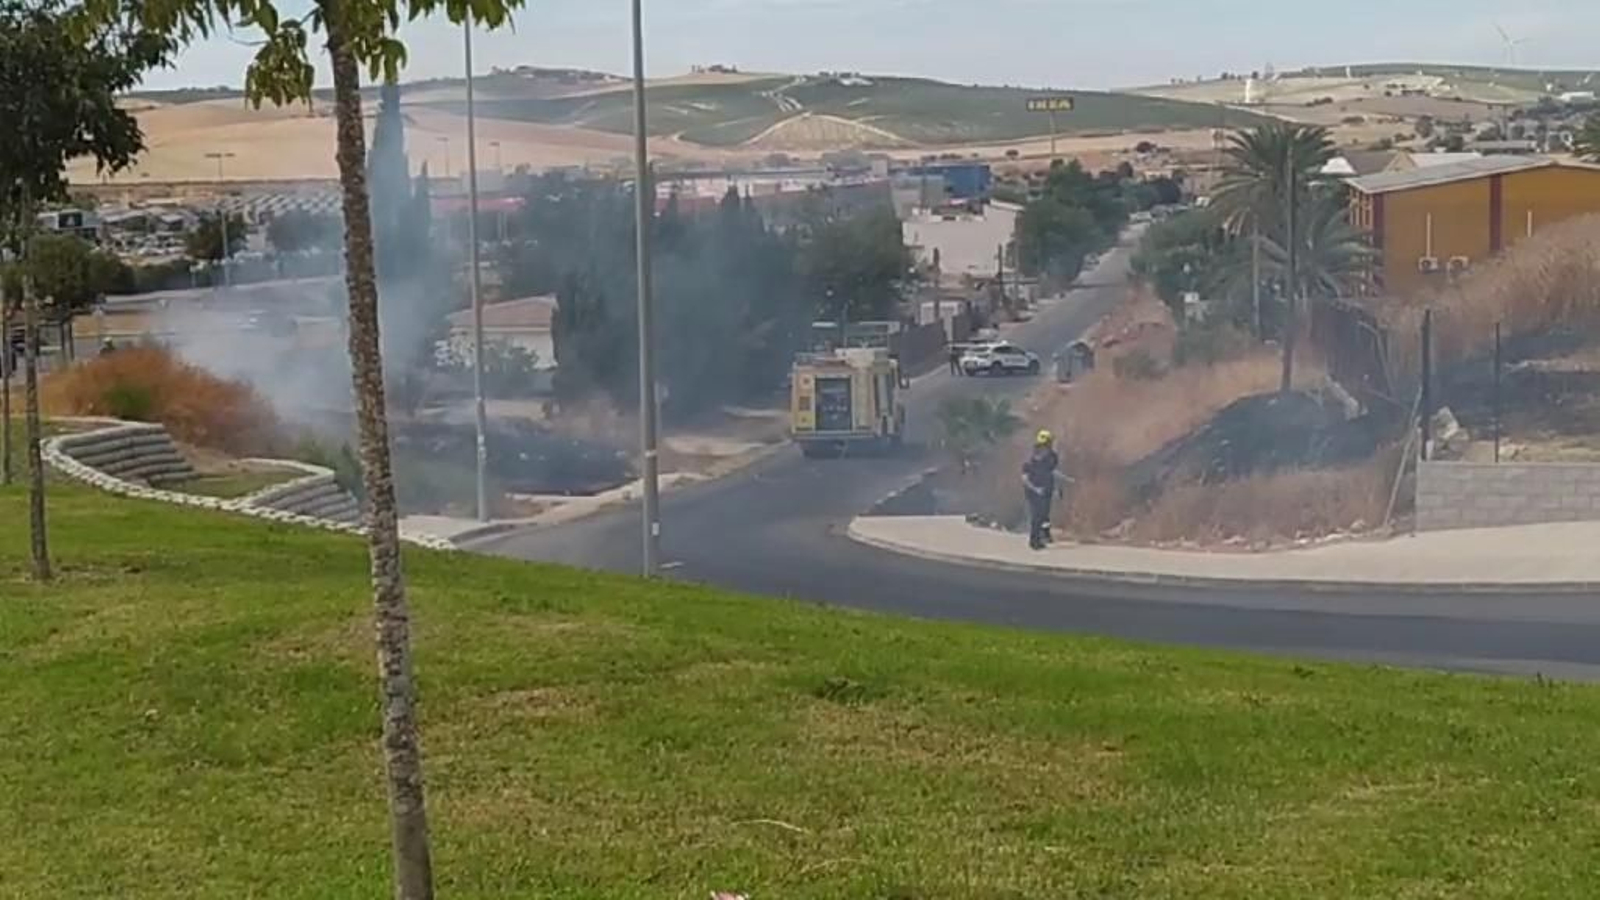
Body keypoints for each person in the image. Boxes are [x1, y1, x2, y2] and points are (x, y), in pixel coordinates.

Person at [1022, 429, 1060, 550]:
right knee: (1036, 516)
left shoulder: (1052, 457)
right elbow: (1025, 477)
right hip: (1034, 491)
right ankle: (1034, 541)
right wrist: (1035, 489)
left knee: (1044, 514)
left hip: (1046, 490)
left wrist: (1055, 489)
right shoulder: (1030, 458)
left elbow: (1051, 472)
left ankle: (1044, 535)